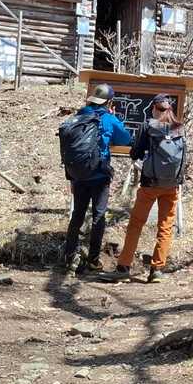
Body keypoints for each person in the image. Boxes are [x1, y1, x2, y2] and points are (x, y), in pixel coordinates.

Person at [104, 94, 187, 283]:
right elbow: (184, 157)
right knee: (165, 227)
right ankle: (157, 270)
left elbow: (136, 152)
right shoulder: (179, 128)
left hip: (150, 184)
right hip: (171, 185)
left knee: (136, 224)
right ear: (170, 109)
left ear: (154, 108)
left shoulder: (148, 126)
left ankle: (123, 267)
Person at [59, 82, 133, 276]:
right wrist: (114, 117)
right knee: (98, 216)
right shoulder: (108, 119)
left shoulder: (78, 116)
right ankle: (93, 260)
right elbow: (125, 139)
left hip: (78, 175)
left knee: (77, 215)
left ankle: (69, 258)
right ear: (108, 102)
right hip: (99, 175)